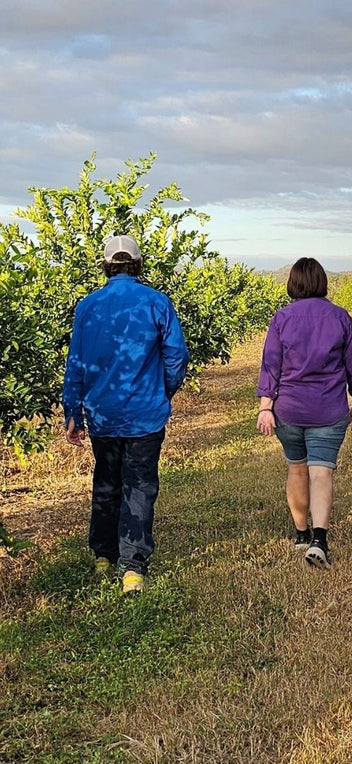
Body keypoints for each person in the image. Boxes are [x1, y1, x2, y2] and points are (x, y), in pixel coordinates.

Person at [62, 234, 190, 595]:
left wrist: (73, 410)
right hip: (145, 414)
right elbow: (176, 356)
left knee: (106, 482)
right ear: (138, 264)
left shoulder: (88, 307)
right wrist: (163, 390)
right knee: (140, 486)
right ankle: (132, 567)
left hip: (103, 413)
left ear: (106, 266)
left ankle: (103, 556)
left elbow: (77, 364)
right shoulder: (156, 303)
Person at [256, 257, 352, 569]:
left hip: (289, 410)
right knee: (322, 473)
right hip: (329, 409)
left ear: (293, 283)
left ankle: (300, 534)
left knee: (296, 469)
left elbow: (271, 365)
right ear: (323, 282)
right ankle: (320, 540)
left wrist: (266, 405)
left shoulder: (282, 318)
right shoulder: (340, 317)